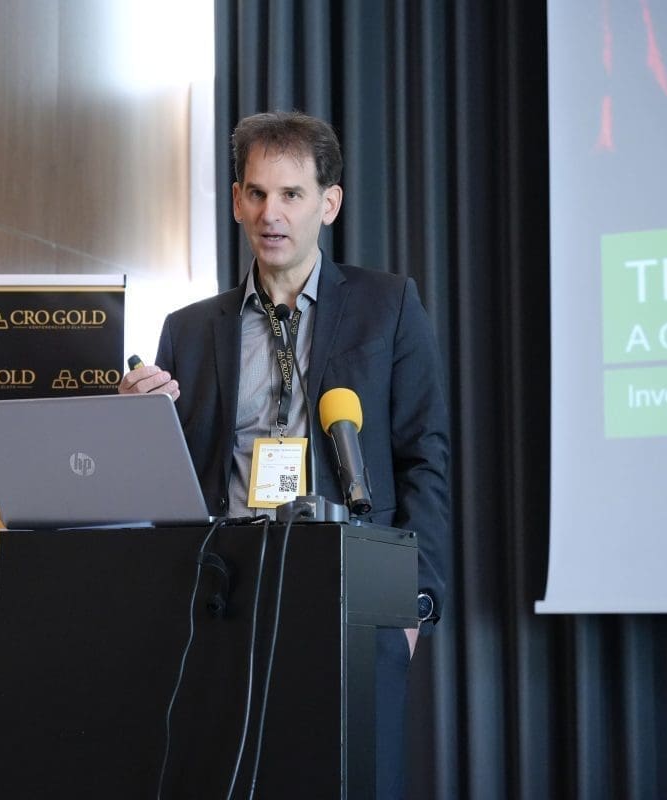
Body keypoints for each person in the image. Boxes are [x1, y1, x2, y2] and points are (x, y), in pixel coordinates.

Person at [119, 111, 450, 799]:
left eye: (292, 194)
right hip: (223, 603)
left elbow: (424, 456)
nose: (272, 213)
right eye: (258, 193)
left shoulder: (387, 306)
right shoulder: (187, 329)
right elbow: (169, 482)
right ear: (237, 201)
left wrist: (412, 604)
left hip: (351, 596)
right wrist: (136, 420)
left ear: (328, 203)